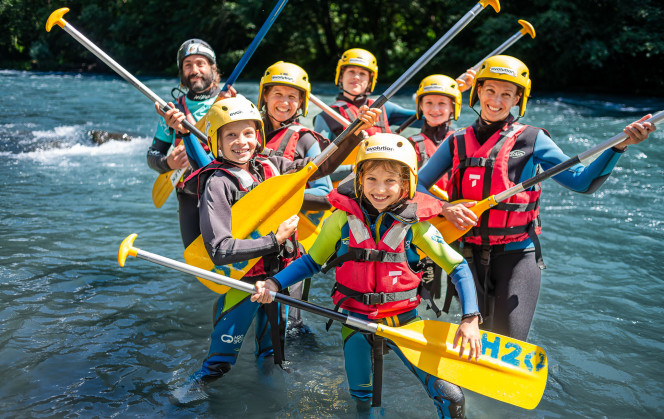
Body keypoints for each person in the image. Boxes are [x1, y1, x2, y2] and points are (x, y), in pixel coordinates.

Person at [417, 55, 657, 341]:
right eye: (490, 90)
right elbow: (415, 185)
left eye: (507, 94)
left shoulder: (532, 139)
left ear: (519, 98)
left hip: (517, 256)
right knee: (475, 339)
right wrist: (446, 207)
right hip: (466, 255)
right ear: (477, 91)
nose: (496, 100)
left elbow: (582, 182)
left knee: (509, 340)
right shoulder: (455, 140)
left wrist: (618, 148)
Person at [252, 133, 482, 418]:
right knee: (363, 400)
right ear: (359, 179)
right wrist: (274, 282)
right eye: (371, 179)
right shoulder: (340, 220)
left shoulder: (417, 227)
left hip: (404, 322)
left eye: (390, 181)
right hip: (355, 320)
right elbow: (311, 263)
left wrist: (470, 318)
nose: (380, 189)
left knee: (451, 397)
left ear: (406, 184)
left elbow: (458, 268)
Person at [171, 96, 381, 404]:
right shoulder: (217, 182)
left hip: (277, 280)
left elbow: (322, 166)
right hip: (242, 283)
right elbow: (219, 250)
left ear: (258, 135)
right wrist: (274, 240)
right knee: (219, 365)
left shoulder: (271, 165)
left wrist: (355, 129)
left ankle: (272, 405)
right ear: (215, 140)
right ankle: (177, 400)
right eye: (230, 135)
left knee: (271, 357)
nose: (241, 142)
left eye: (247, 133)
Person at [258, 60, 333, 332]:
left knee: (289, 326)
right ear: (264, 96)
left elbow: (325, 195)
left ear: (301, 102)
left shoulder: (306, 140)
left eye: (292, 96)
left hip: (289, 246)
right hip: (249, 238)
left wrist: (276, 195)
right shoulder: (246, 131)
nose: (284, 102)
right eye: (277, 94)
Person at [146, 38, 233, 247]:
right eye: (188, 65)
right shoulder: (172, 113)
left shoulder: (229, 103)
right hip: (189, 195)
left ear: (212, 68)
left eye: (200, 63)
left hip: (227, 191)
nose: (195, 70)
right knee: (196, 259)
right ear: (182, 73)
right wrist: (169, 163)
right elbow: (152, 155)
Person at [313, 48, 415, 182]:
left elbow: (428, 117)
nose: (356, 77)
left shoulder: (383, 108)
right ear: (341, 76)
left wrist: (439, 99)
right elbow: (317, 171)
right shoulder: (326, 117)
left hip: (384, 187)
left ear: (370, 81)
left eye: (362, 73)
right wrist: (359, 169)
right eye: (351, 72)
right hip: (347, 190)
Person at [407, 74, 464, 302]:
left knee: (454, 291)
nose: (435, 109)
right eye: (429, 103)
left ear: (453, 108)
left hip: (457, 225)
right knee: (428, 297)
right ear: (420, 106)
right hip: (424, 226)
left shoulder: (465, 140)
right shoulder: (410, 144)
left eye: (442, 103)